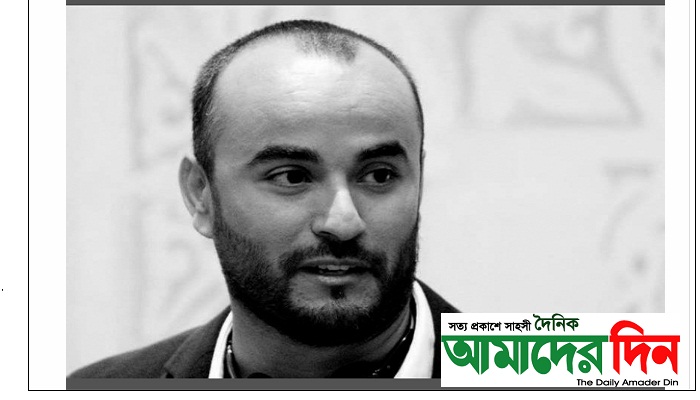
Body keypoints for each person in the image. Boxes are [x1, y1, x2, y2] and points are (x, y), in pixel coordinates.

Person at [70, 19, 459, 379]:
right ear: (201, 194)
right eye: (292, 177)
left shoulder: (500, 375)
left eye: (379, 175)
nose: (343, 222)